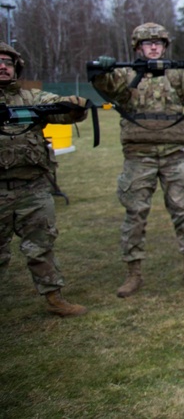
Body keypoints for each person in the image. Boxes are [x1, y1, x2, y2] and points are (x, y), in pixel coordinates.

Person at [91, 22, 184, 298]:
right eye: (147, 43)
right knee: (135, 214)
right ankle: (133, 273)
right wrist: (101, 70)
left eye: (158, 43)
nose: (154, 47)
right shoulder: (125, 75)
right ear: (137, 47)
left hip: (174, 156)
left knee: (183, 210)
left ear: (165, 46)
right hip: (139, 157)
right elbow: (105, 84)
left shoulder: (176, 75)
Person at [0, 42, 89, 317]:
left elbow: (58, 108)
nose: (2, 66)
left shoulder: (31, 98)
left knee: (41, 246)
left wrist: (76, 107)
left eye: (7, 62)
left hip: (33, 189)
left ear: (16, 68)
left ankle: (54, 298)